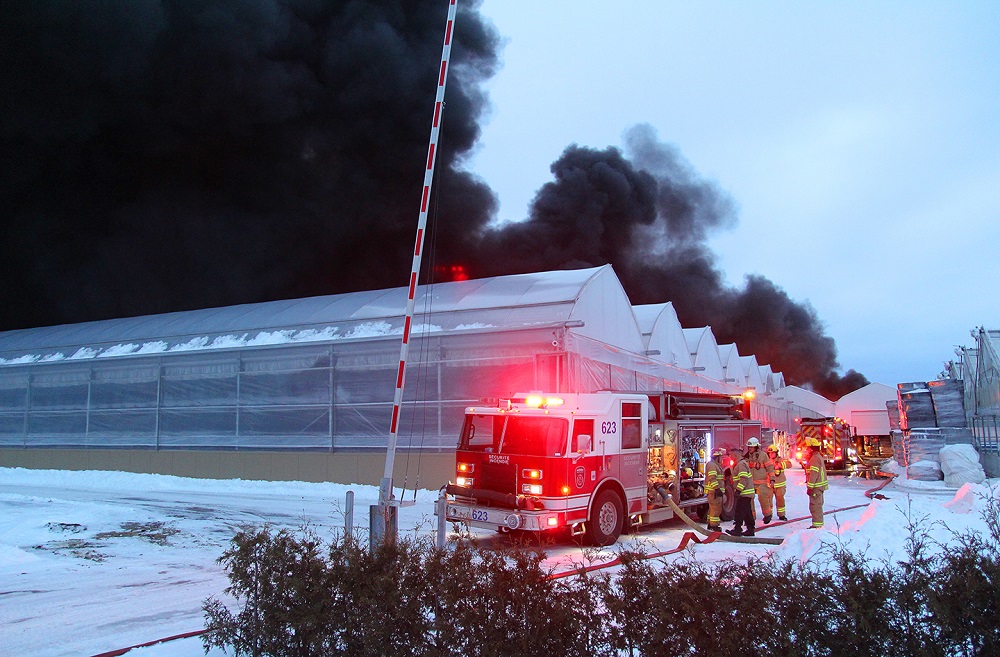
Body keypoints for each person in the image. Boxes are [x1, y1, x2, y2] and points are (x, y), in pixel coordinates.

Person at [727, 447, 755, 537]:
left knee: (739, 511)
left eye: (731, 455)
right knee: (747, 511)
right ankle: (750, 529)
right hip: (746, 492)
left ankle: (738, 528)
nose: (730, 457)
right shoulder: (739, 464)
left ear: (735, 455)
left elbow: (743, 479)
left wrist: (738, 490)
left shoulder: (741, 464)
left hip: (744, 492)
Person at [747, 437, 773, 524]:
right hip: (750, 483)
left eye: (752, 447)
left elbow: (770, 467)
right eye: (749, 447)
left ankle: (768, 515)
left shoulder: (763, 455)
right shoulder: (747, 457)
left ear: (756, 447)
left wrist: (772, 479)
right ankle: (751, 518)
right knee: (749, 500)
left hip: (762, 482)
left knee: (763, 498)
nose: (750, 449)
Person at [805, 437, 829, 528]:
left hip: (815, 487)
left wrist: (810, 487)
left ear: (811, 448)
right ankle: (817, 525)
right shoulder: (817, 457)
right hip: (819, 487)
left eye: (807, 448)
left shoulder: (815, 458)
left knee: (815, 506)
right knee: (817, 506)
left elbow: (813, 474)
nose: (806, 450)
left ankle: (817, 526)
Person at [704, 447, 725, 532]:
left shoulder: (713, 465)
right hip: (714, 492)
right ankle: (714, 525)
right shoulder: (713, 465)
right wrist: (717, 489)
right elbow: (712, 478)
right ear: (717, 457)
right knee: (716, 509)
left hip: (712, 492)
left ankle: (710, 523)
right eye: (721, 457)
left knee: (712, 509)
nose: (721, 459)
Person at [766, 444, 788, 521]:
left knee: (780, 500)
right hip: (769, 484)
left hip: (780, 484)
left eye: (772, 453)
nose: (771, 454)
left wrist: (780, 465)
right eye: (769, 453)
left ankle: (781, 515)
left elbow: (789, 464)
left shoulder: (780, 460)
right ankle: (768, 515)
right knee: (768, 501)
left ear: (776, 453)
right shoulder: (766, 461)